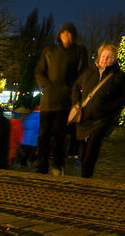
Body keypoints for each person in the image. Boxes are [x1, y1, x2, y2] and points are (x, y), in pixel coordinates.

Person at [34, 22, 88, 176]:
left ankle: (58, 163)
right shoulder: (49, 51)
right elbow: (39, 71)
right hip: (48, 100)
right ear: (60, 35)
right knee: (44, 135)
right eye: (64, 34)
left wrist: (71, 88)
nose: (67, 37)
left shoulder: (79, 51)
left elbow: (82, 73)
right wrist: (47, 86)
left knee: (59, 135)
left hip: (65, 101)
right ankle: (41, 165)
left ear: (74, 36)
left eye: (70, 34)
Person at [71, 43, 125, 178]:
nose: (105, 59)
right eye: (104, 56)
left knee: (92, 149)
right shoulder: (89, 72)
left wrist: (111, 108)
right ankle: (85, 174)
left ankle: (86, 177)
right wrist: (76, 103)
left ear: (114, 59)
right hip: (83, 118)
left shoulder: (118, 76)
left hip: (101, 120)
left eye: (109, 57)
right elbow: (75, 86)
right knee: (83, 150)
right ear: (99, 56)